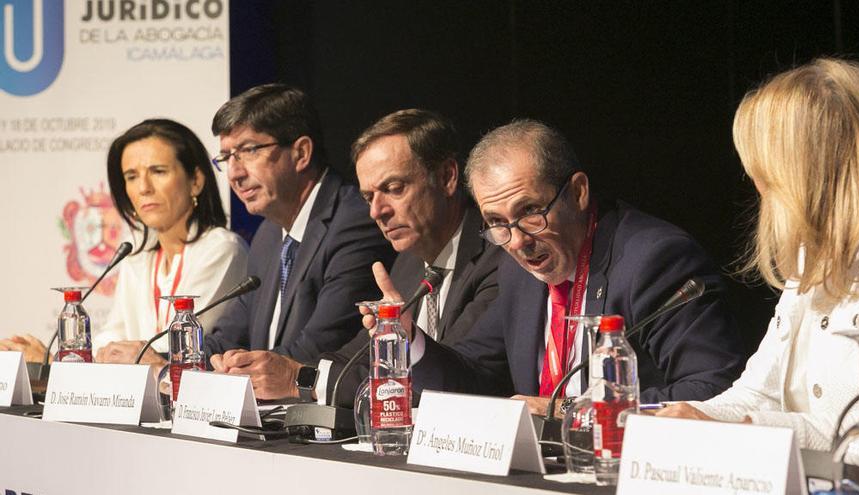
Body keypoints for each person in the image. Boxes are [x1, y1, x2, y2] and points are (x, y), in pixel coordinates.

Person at [369, 119, 745, 415]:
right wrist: (410, 342)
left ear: (578, 193)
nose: (516, 241)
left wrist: (566, 410)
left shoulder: (654, 260)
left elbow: (713, 389)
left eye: (530, 212)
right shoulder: (517, 272)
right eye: (496, 223)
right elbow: (474, 377)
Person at [657, 58, 859, 451]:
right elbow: (756, 395)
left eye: (765, 173)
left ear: (804, 174)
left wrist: (740, 430)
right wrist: (676, 416)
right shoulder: (809, 265)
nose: (758, 188)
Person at [199, 84, 396, 400]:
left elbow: (319, 346)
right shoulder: (267, 235)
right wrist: (179, 361)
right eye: (226, 157)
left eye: (249, 151)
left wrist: (244, 373)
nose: (234, 173)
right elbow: (228, 334)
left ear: (302, 152)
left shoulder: (354, 221)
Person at [295, 109, 504, 406]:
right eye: (369, 197)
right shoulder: (408, 262)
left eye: (393, 189)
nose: (376, 211)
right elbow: (355, 354)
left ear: (446, 177)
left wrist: (300, 381)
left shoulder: (497, 258)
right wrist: (292, 372)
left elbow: (456, 382)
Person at [0, 119, 248, 361]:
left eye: (158, 172)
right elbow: (114, 333)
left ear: (195, 181)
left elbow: (177, 348)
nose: (143, 188)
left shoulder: (220, 249)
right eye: (131, 176)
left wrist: (57, 364)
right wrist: (60, 359)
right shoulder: (138, 254)